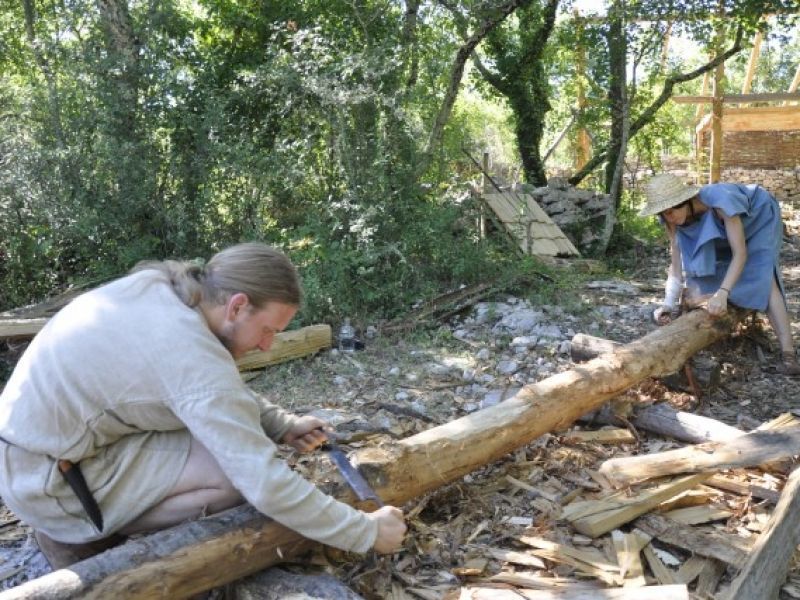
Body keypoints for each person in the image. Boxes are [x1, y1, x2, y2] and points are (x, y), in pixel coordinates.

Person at [0, 242, 406, 568]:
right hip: (48, 484)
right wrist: (365, 531)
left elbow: (202, 390)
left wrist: (280, 423)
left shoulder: (164, 290)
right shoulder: (189, 353)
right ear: (237, 306)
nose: (267, 345)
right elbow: (263, 482)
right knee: (228, 478)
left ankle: (80, 517)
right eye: (268, 330)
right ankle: (79, 532)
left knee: (213, 437)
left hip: (38, 456)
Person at [639, 173, 799, 376]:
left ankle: (789, 355)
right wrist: (668, 304)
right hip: (727, 226)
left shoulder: (721, 201)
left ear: (686, 201)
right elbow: (677, 262)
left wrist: (723, 292)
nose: (669, 217)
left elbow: (740, 253)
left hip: (759, 217)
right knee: (706, 277)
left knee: (763, 273)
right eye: (663, 214)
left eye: (671, 211)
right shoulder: (670, 219)